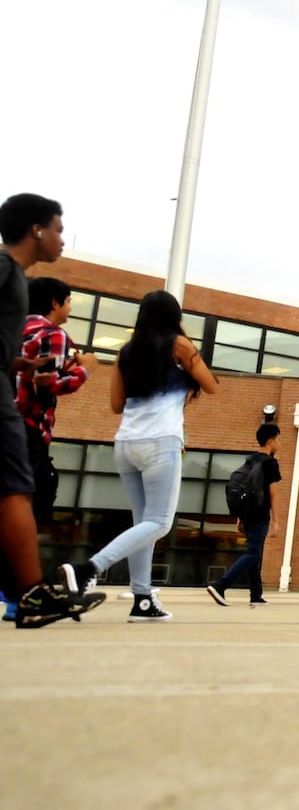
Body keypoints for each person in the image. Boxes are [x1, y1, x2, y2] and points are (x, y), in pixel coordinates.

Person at [59, 290, 219, 622]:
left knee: (143, 524)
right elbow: (212, 384)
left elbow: (117, 405)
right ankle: (88, 568)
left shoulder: (126, 353)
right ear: (175, 316)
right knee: (159, 523)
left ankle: (142, 599)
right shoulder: (180, 345)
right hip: (160, 443)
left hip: (126, 444)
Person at [1, 193, 103, 627]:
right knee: (16, 493)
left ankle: (25, 595)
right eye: (58, 229)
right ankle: (30, 595)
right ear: (36, 229)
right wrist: (85, 371)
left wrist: (21, 364)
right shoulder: (8, 272)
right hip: (17, 416)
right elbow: (61, 385)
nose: (62, 239)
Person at [17, 276, 92, 522]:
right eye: (68, 301)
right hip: (29, 431)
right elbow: (47, 385)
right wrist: (86, 369)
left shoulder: (15, 329)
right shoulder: (53, 334)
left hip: (10, 425)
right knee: (29, 509)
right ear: (54, 303)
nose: (70, 307)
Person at [206, 424, 282, 608]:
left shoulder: (249, 460)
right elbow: (273, 493)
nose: (279, 443)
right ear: (270, 441)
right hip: (259, 513)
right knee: (253, 553)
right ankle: (220, 585)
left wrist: (239, 517)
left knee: (255, 553)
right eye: (278, 439)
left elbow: (244, 489)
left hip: (246, 513)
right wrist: (276, 520)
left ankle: (256, 595)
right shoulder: (270, 463)